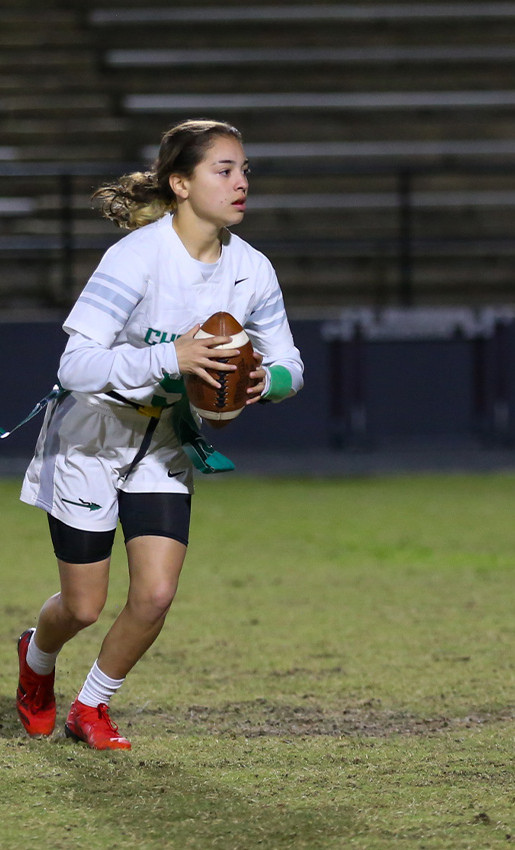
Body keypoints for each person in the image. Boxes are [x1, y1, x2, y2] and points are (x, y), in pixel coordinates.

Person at [16, 119, 304, 750]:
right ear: (180, 182)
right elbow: (75, 365)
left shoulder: (252, 269)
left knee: (155, 594)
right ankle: (37, 662)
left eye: (245, 169)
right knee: (84, 607)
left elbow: (290, 362)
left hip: (165, 442)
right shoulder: (136, 257)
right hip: (92, 439)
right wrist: (169, 358)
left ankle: (91, 707)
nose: (240, 182)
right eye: (222, 170)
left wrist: (269, 381)